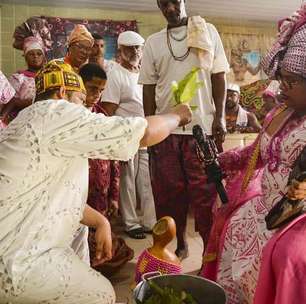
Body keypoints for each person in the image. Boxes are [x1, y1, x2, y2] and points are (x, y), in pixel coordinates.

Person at [0, 59, 192, 303]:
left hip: (12, 249)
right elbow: (142, 133)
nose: (88, 107)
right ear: (62, 93)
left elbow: (56, 195)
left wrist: (101, 221)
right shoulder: (55, 112)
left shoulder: (21, 123)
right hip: (16, 263)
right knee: (101, 293)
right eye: (81, 100)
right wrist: (175, 116)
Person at [201, 6, 306, 303]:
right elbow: (257, 153)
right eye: (281, 79)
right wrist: (223, 160)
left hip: (299, 215)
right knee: (233, 222)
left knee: (287, 256)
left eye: (291, 82)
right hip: (267, 207)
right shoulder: (282, 112)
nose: (281, 88)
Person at [139, 0, 229, 258]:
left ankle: (209, 253)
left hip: (201, 132)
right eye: (163, 4)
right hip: (166, 132)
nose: (170, 8)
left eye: (174, 1)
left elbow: (219, 75)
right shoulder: (154, 42)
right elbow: (147, 86)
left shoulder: (207, 31)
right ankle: (179, 243)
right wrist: (149, 125)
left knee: (205, 196)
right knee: (169, 195)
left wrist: (219, 117)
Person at [79, 63, 134, 276]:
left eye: (101, 90)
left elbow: (114, 159)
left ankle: (94, 272)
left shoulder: (103, 116)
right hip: (79, 192)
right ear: (79, 84)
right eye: (92, 88)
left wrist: (114, 195)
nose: (96, 95)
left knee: (101, 241)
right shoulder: (68, 116)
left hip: (100, 193)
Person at [101, 31, 156, 239]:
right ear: (121, 51)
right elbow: (108, 109)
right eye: (129, 48)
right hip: (126, 137)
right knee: (127, 181)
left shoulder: (145, 73)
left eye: (138, 48)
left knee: (147, 181)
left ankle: (150, 221)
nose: (134, 52)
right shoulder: (116, 75)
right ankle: (131, 223)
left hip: (147, 135)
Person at [1, 36, 46, 126]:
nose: (35, 56)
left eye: (39, 53)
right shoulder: (19, 78)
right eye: (31, 54)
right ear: (25, 57)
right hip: (22, 121)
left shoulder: (50, 76)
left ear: (43, 56)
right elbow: (10, 101)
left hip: (45, 119)